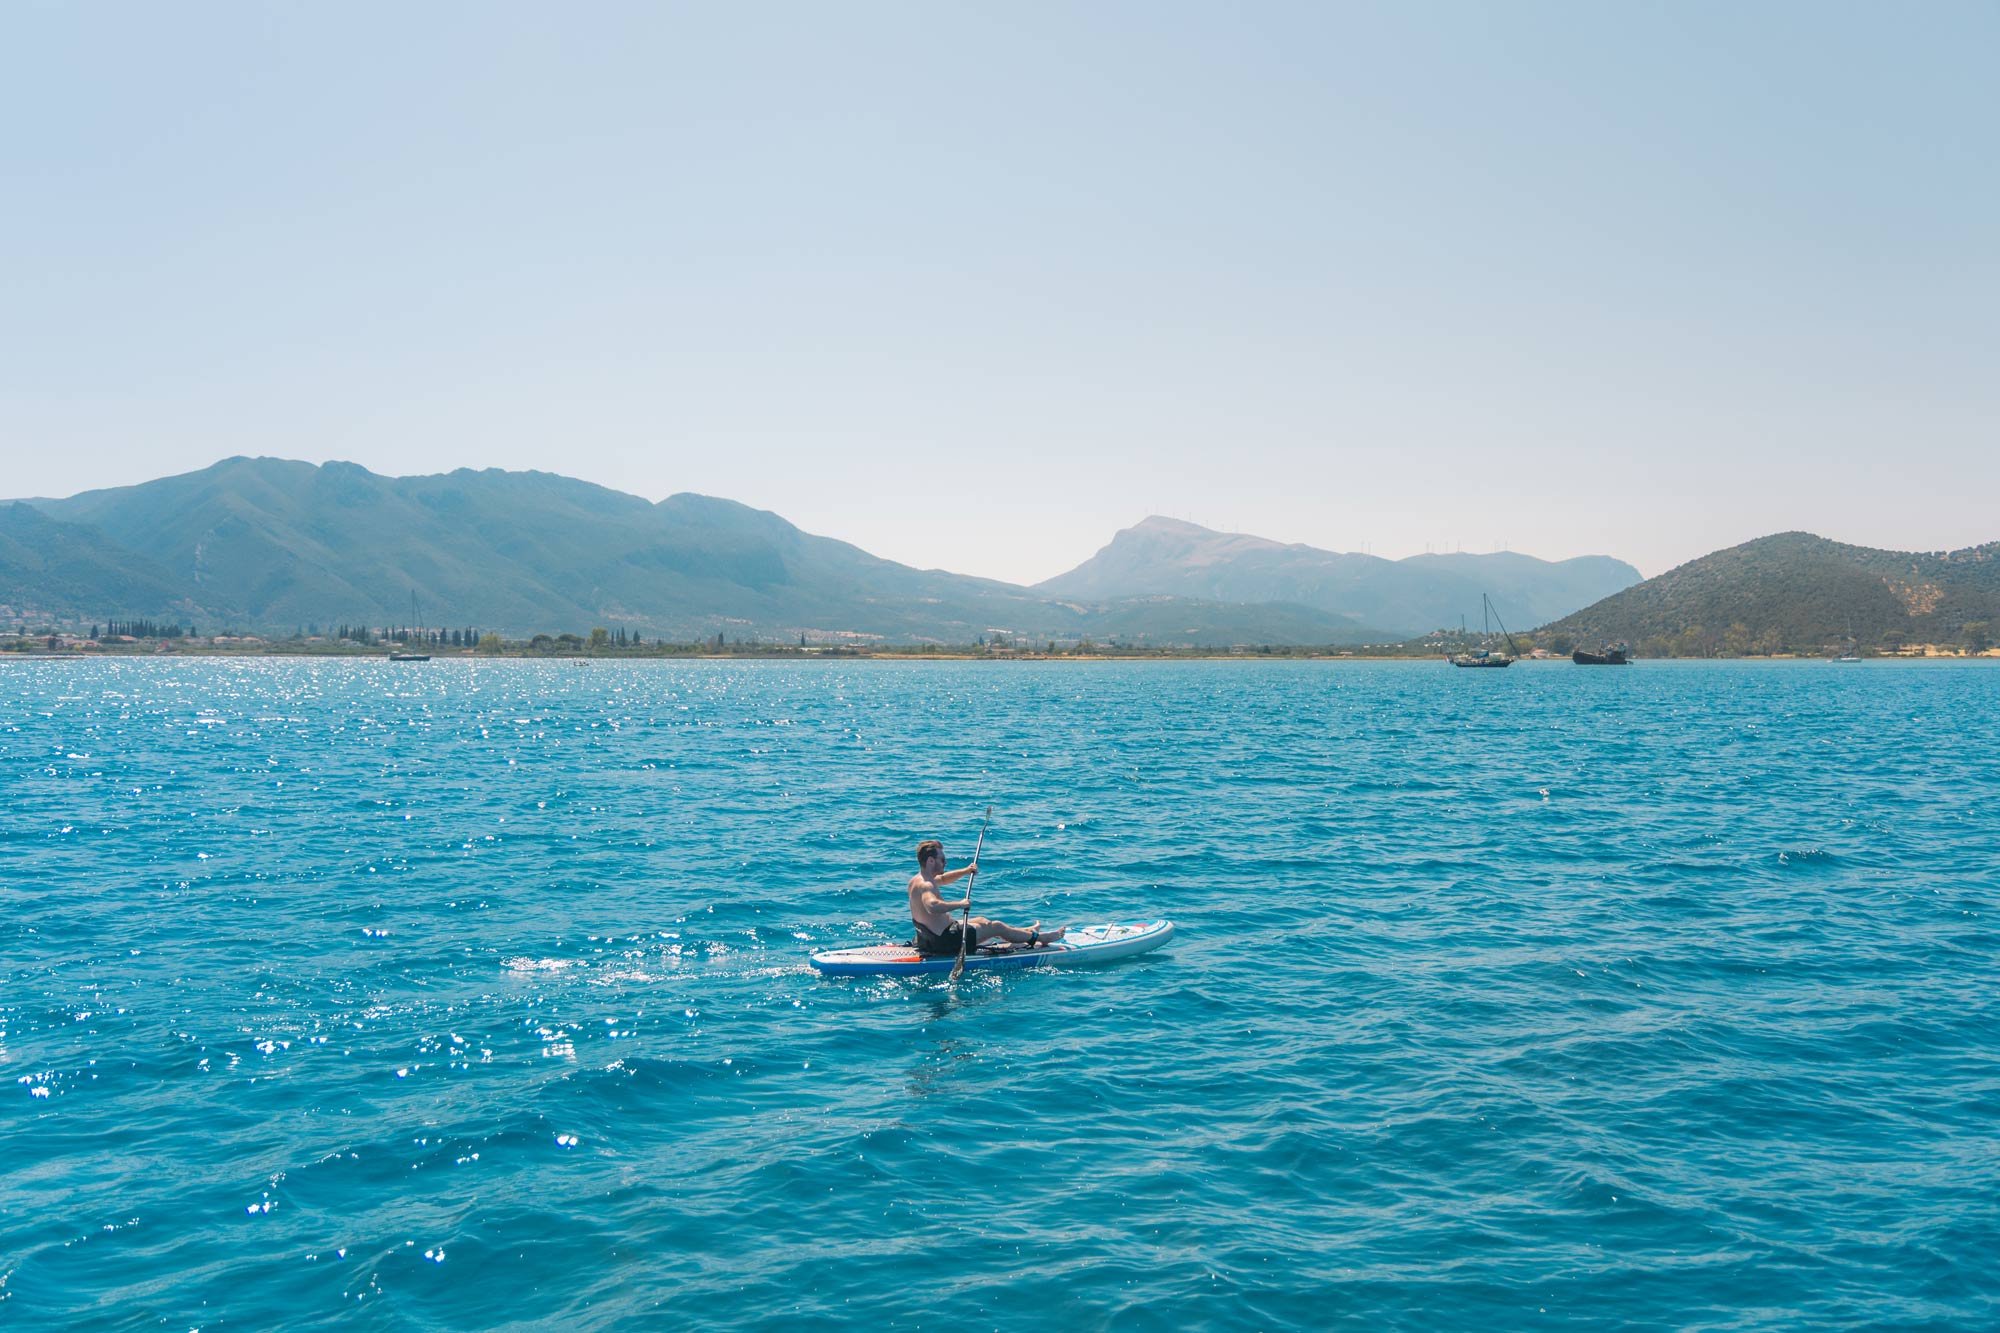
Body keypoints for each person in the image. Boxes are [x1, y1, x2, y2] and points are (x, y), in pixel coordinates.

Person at [907, 838, 1065, 957]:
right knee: (995, 926)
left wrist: (965, 871)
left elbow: (943, 879)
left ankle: (1025, 932)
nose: (945, 862)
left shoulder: (918, 880)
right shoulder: (926, 886)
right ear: (930, 860)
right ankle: (1041, 938)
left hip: (928, 939)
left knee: (982, 921)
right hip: (946, 941)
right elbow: (932, 905)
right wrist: (960, 904)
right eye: (942, 859)